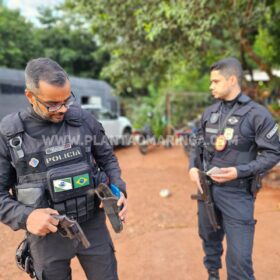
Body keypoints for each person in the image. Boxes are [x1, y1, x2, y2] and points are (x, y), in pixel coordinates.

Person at [0, 58, 128, 280]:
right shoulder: (10, 135)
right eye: (53, 104)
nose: (63, 109)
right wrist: (26, 216)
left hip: (92, 224)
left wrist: (119, 189)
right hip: (47, 237)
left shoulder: (84, 120)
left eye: (67, 99)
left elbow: (107, 159)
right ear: (30, 96)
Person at [189, 57, 280, 280]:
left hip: (238, 193)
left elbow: (273, 153)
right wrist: (193, 167)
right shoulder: (209, 113)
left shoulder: (258, 115)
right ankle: (212, 274)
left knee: (239, 261)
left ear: (231, 80)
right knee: (209, 238)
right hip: (207, 191)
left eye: (215, 81)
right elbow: (196, 143)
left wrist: (240, 171)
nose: (211, 86)